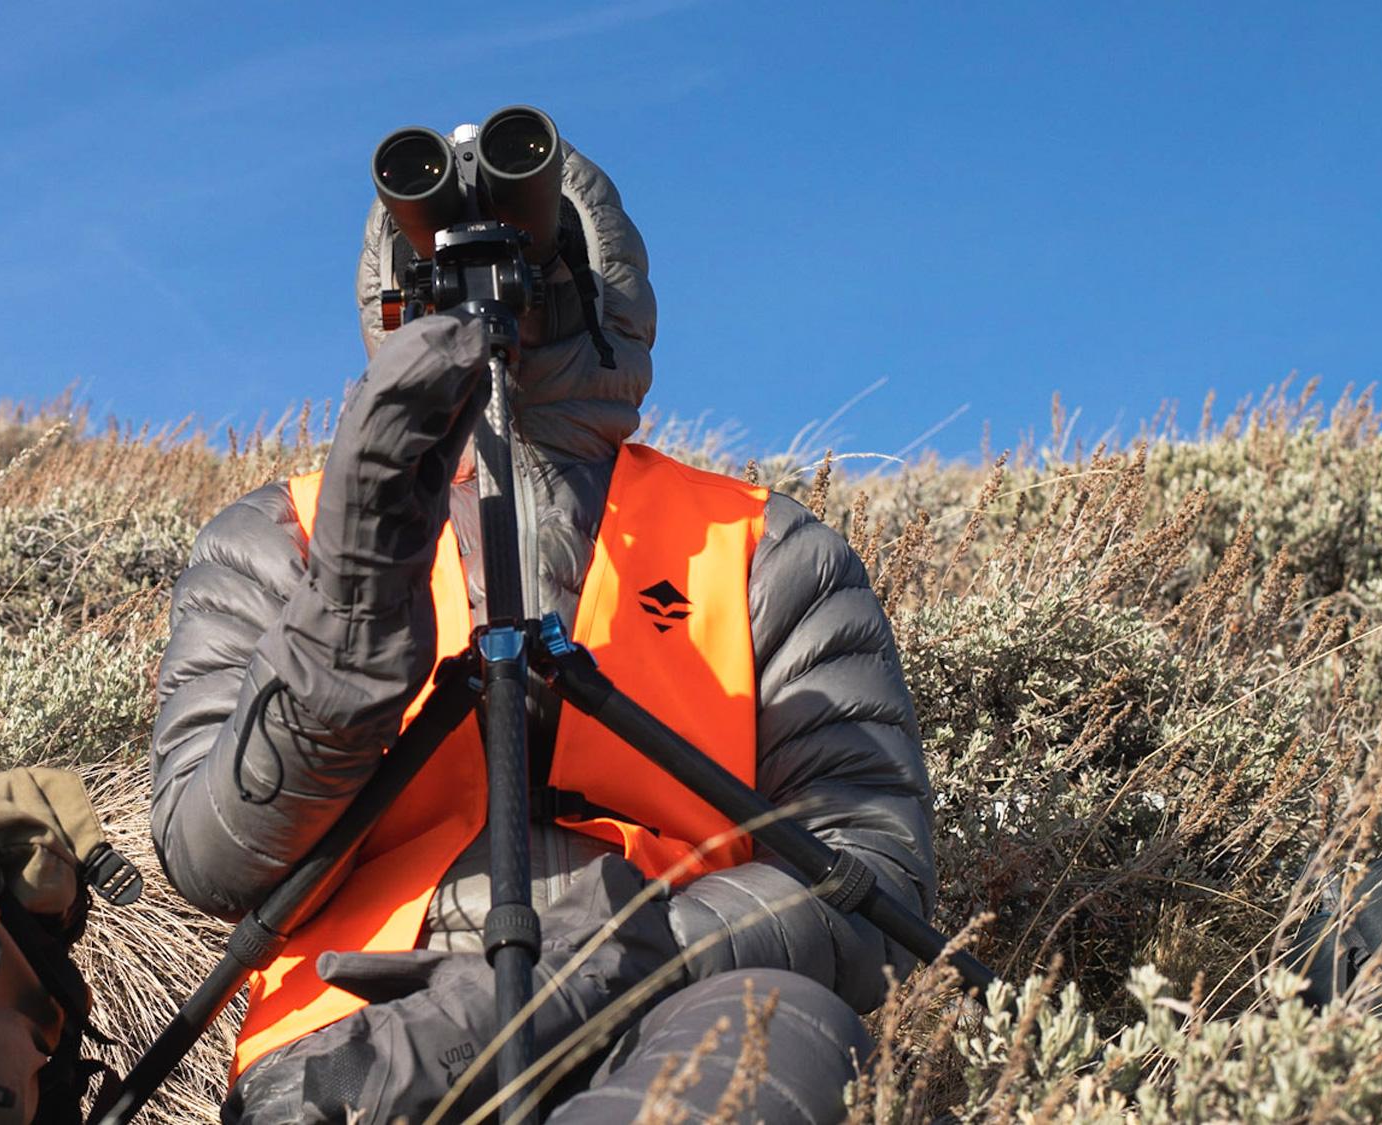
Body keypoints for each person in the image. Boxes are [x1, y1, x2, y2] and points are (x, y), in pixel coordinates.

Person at [150, 126, 937, 1123]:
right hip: (353, 1040)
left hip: (692, 996)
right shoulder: (278, 540)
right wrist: (349, 602)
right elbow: (213, 860)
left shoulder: (766, 550)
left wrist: (601, 960)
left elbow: (873, 885)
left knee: (765, 1037)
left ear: (595, 271)